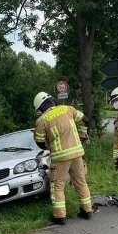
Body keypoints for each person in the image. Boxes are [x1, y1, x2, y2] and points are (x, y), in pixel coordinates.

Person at [33, 92, 92, 225]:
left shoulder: (42, 120)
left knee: (57, 186)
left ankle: (59, 217)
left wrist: (49, 146)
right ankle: (87, 210)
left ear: (41, 107)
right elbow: (86, 120)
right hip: (77, 153)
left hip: (60, 157)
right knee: (81, 182)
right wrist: (82, 135)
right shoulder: (68, 109)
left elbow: (40, 142)